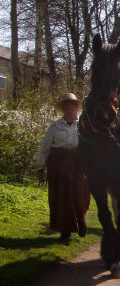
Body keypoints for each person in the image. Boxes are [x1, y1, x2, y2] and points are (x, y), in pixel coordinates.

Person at [37, 93, 90, 242]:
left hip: (78, 164)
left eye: (72, 104)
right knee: (62, 199)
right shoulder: (55, 126)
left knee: (81, 195)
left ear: (76, 107)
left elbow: (90, 145)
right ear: (63, 108)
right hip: (58, 165)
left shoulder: (84, 125)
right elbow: (45, 147)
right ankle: (65, 231)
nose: (70, 107)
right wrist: (40, 168)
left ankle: (81, 219)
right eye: (66, 104)